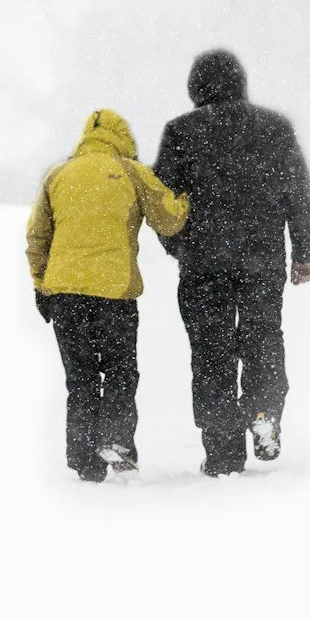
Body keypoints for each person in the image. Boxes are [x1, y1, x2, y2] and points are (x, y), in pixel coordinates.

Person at [155, 49, 310, 476]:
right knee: (263, 338)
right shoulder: (274, 128)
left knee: (211, 354)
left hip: (202, 263)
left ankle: (223, 450)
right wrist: (305, 251)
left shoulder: (181, 132)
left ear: (196, 87)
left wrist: (176, 246)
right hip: (261, 260)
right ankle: (264, 412)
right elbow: (298, 193)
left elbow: (161, 203)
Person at [24, 109, 189, 481]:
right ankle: (115, 439)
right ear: (124, 138)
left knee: (80, 377)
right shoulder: (131, 171)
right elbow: (169, 219)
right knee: (119, 371)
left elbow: (37, 238)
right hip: (114, 293)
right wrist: (187, 197)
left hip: (65, 293)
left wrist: (41, 285)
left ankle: (84, 459)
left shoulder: (59, 174)